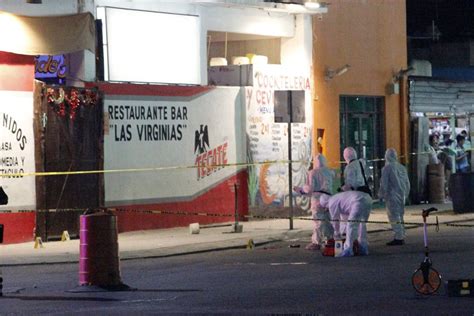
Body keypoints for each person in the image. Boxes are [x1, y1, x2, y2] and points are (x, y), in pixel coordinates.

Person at [294, 154, 335, 250]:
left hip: (317, 199)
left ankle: (316, 242)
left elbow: (310, 189)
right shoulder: (329, 172)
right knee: (328, 220)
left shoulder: (313, 172)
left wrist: (301, 189)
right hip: (328, 198)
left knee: (318, 221)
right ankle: (331, 239)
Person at [320, 190, 372, 257]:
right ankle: (363, 248)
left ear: (325, 204)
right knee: (362, 224)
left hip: (357, 201)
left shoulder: (331, 202)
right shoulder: (337, 197)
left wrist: (337, 233)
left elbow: (335, 220)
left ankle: (348, 250)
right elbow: (345, 215)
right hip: (368, 199)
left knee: (351, 225)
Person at [378, 148, 410, 246]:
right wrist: (406, 194)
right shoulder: (402, 167)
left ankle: (398, 237)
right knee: (400, 215)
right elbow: (407, 183)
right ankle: (402, 234)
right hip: (402, 195)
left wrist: (381, 194)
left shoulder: (387, 168)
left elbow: (384, 184)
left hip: (392, 195)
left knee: (394, 216)